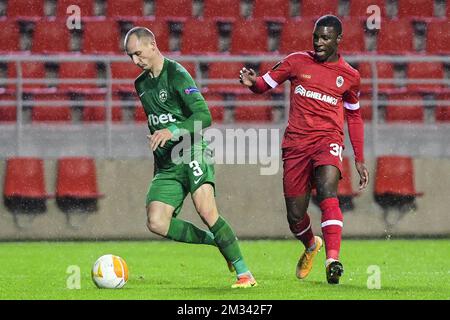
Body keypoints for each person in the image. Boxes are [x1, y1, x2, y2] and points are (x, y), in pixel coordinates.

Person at [240, 15, 369, 284]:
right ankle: (312, 244)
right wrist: (253, 83)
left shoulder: (350, 76)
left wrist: (358, 157)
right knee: (295, 216)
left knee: (327, 191)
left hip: (327, 140)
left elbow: (354, 117)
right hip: (296, 145)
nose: (319, 42)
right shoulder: (297, 61)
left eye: (325, 38)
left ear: (338, 40)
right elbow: (265, 85)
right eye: (316, 37)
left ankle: (332, 259)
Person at [124, 27, 257, 288]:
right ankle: (217, 241)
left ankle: (245, 275)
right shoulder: (140, 84)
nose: (134, 61)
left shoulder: (177, 74)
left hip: (193, 150)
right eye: (130, 56)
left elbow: (204, 116)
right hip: (166, 164)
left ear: (152, 45)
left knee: (206, 209)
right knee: (157, 221)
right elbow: (158, 124)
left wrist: (172, 130)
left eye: (137, 53)